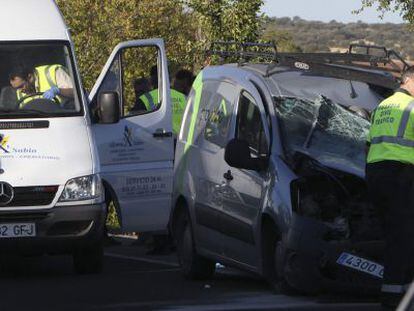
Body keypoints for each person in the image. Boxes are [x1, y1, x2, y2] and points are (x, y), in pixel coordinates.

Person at [366, 67, 414, 309]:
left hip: (375, 173)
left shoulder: (382, 106)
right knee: (403, 236)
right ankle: (394, 296)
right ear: (409, 81)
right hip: (400, 174)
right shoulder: (412, 107)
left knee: (394, 234)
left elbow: (368, 141)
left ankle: (399, 291)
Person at [140, 67, 190, 136]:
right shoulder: (184, 98)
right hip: (180, 142)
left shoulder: (145, 99)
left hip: (155, 142)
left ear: (151, 80)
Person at [9, 64, 73, 107]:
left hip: (64, 115)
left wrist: (58, 91)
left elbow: (75, 93)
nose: (19, 91)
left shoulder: (52, 72)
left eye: (21, 86)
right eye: (16, 88)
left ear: (30, 77)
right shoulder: (19, 91)